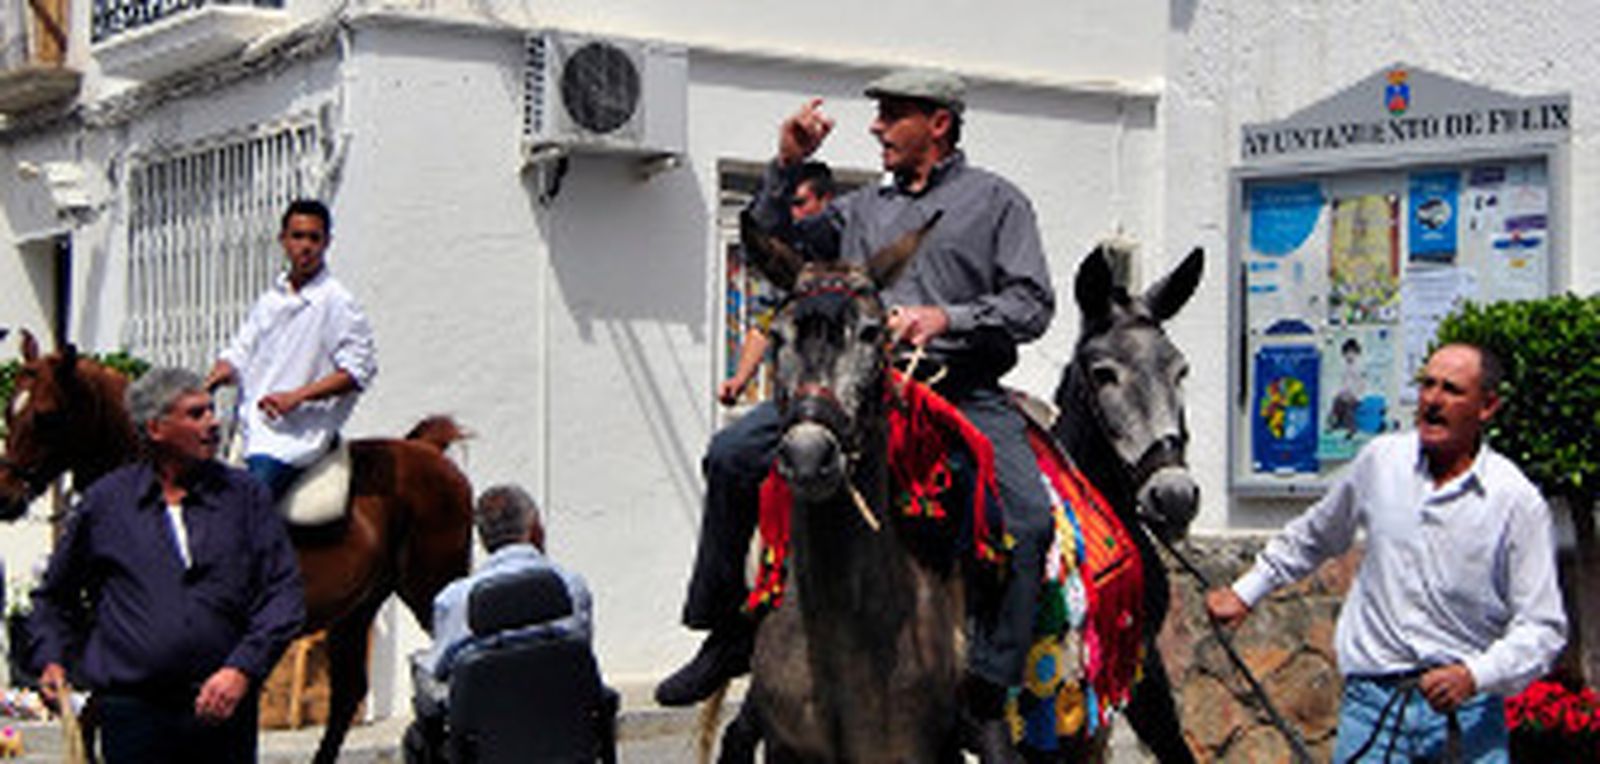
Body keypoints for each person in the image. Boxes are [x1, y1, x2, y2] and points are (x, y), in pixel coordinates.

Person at [658, 68, 1055, 759]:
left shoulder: (999, 202)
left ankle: (987, 691)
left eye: (893, 114)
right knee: (730, 456)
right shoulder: (859, 208)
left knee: (1026, 517)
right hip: (856, 387)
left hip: (957, 388)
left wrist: (947, 316)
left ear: (939, 123)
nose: (876, 127)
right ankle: (725, 631)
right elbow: (775, 240)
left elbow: (1032, 304)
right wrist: (784, 165)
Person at [1206, 343, 1566, 761]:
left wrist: (1474, 676)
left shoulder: (1515, 501)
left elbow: (1543, 628)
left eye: (1451, 390)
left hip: (1465, 717)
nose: (1432, 400)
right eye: (1427, 385)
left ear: (1487, 407)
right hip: (1372, 708)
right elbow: (1315, 535)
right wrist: (1246, 591)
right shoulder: (1381, 461)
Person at [31, 367, 305, 763]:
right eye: (196, 414)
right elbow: (54, 597)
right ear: (156, 429)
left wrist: (241, 670)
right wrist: (51, 657)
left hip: (222, 710)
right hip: (134, 715)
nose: (213, 423)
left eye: (212, 411)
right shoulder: (107, 503)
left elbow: (283, 594)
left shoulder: (244, 497)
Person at [405, 484, 593, 762]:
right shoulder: (571, 586)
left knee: (419, 733)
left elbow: (441, 671)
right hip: (563, 735)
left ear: (482, 540)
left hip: (487, 746)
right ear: (534, 529)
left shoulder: (456, 600)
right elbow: (581, 658)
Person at [205, 199, 377, 502]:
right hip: (250, 426)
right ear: (283, 240)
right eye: (298, 236)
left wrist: (296, 397)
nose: (306, 246)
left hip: (293, 436)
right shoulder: (271, 298)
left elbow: (357, 372)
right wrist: (218, 373)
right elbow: (241, 350)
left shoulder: (337, 302)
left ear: (327, 243)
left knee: (250, 505)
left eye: (314, 238)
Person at [718, 161, 836, 407]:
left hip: (845, 396)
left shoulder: (854, 245)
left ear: (826, 200)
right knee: (728, 446)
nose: (794, 214)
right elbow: (762, 325)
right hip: (795, 397)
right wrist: (739, 380)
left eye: (800, 204)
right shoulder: (786, 261)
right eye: (788, 206)